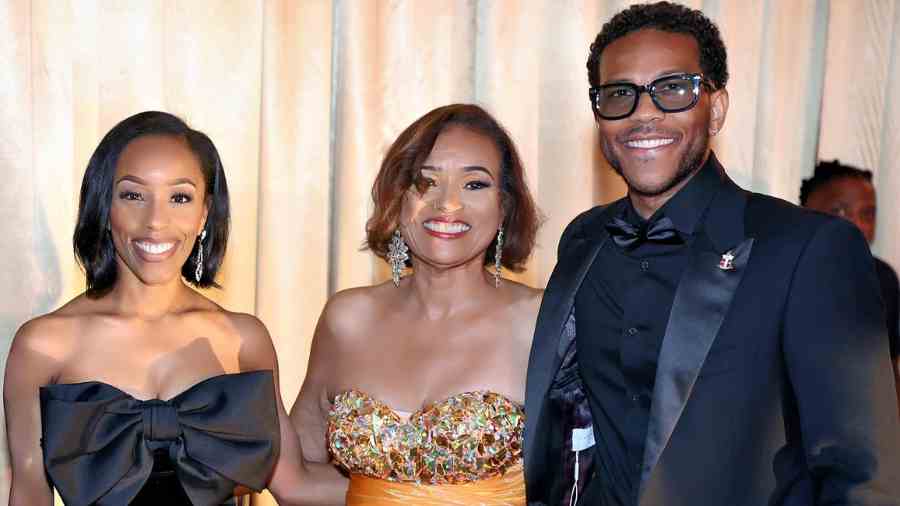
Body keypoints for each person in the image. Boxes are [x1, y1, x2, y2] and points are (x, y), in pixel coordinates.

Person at [524, 2, 900, 506]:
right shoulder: (584, 240)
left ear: (716, 108)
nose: (644, 114)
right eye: (620, 94)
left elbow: (863, 476)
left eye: (673, 89)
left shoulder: (809, 249)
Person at [3, 111, 328, 505]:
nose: (156, 222)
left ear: (205, 212)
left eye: (179, 197)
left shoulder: (244, 339)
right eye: (133, 195)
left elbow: (293, 485)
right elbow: (29, 493)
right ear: (105, 206)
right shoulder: (43, 344)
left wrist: (416, 489)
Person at [290, 103, 542, 505]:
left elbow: (585, 477)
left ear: (505, 207)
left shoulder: (540, 321)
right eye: (425, 183)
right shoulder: (347, 318)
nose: (447, 204)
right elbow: (297, 477)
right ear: (397, 198)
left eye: (474, 185)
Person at [801, 159, 900, 415]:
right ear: (803, 210)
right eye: (840, 211)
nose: (857, 224)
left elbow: (889, 368)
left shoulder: (883, 278)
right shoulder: (784, 273)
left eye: (867, 213)